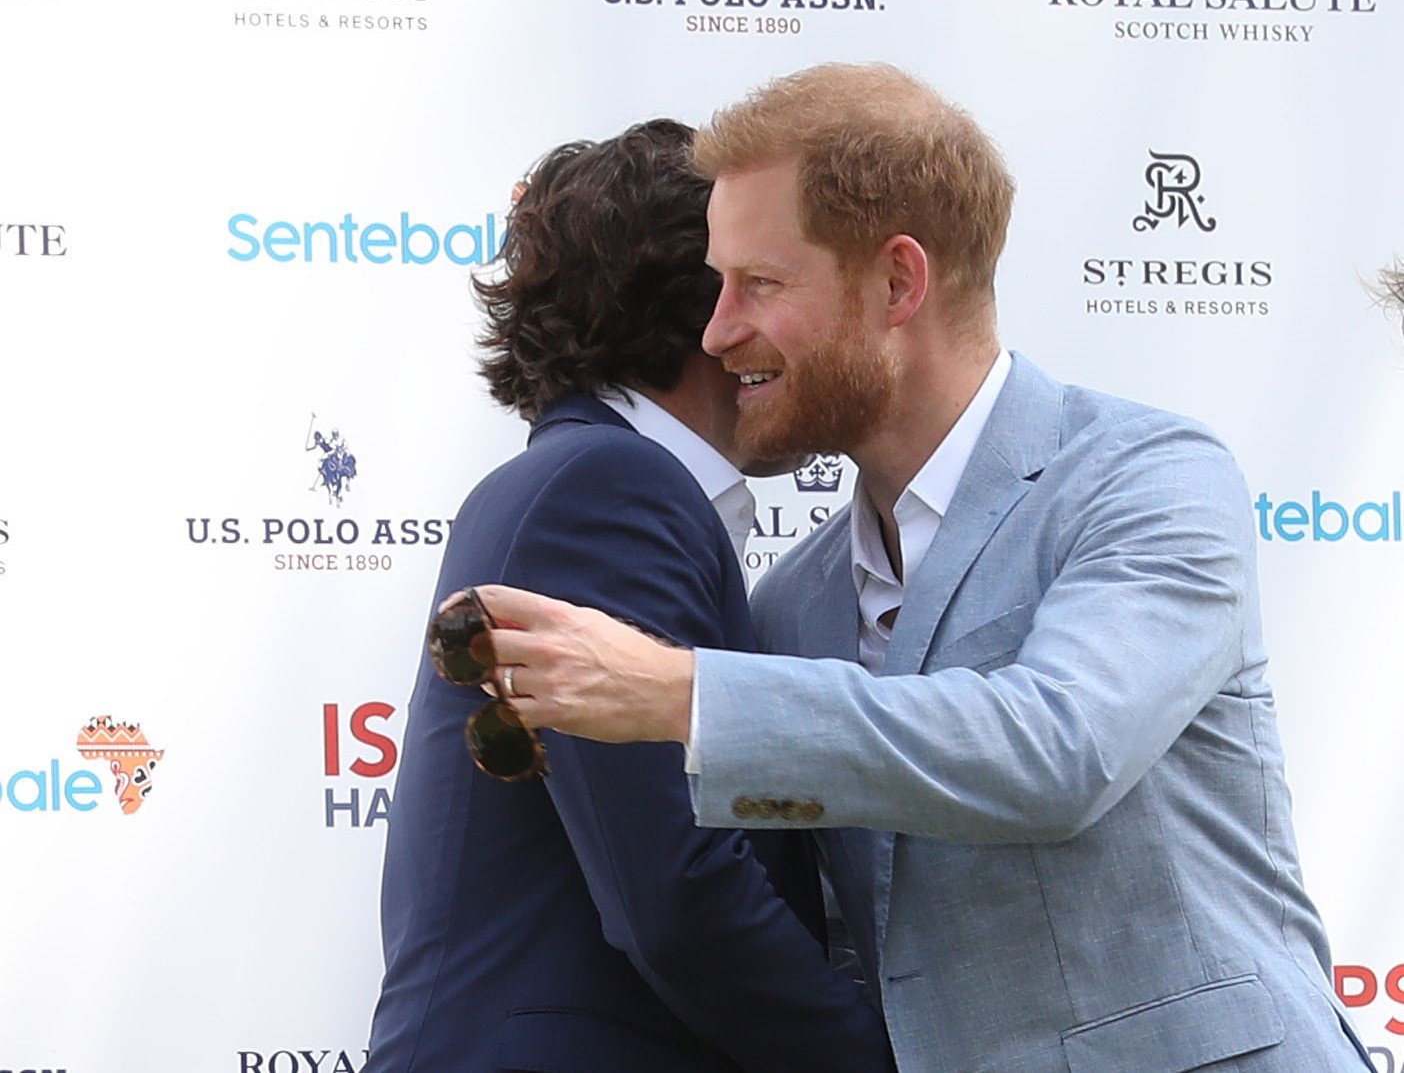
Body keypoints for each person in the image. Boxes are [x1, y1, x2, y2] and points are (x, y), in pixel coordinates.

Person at [472, 66, 1373, 1072]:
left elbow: (1058, 751)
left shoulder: (1147, 477)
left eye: (758, 285)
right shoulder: (791, 603)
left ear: (899, 282)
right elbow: (854, 941)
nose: (717, 331)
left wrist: (681, 695)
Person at [364, 119, 893, 1073]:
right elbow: (676, 888)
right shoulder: (607, 489)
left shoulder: (588, 481)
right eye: (770, 282)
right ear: (705, 306)